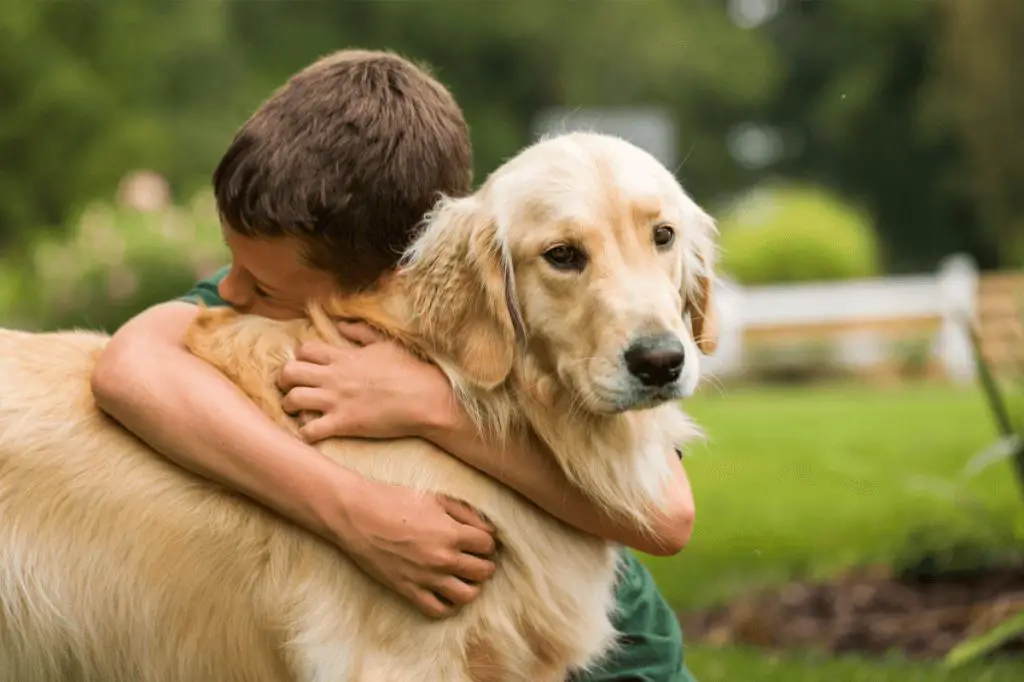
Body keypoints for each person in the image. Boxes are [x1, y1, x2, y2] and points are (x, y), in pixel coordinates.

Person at [91, 49, 698, 681]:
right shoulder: (303, 262)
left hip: (624, 658)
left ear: (389, 280)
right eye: (233, 263)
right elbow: (128, 367)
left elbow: (667, 515)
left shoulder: (478, 287)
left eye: (265, 288)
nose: (233, 293)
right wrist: (352, 509)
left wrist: (434, 409)